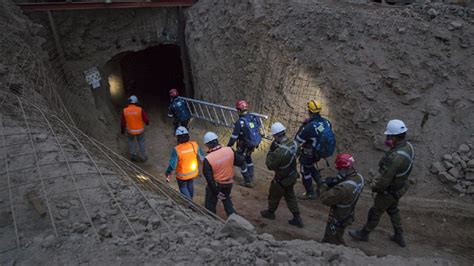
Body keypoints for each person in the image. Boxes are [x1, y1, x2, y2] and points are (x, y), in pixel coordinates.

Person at [349, 119, 414, 248]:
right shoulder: (408, 147)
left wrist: (376, 188)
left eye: (388, 136)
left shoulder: (396, 157)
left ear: (394, 137)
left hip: (389, 191)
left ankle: (364, 233)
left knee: (375, 212)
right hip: (400, 187)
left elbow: (385, 179)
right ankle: (399, 235)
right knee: (393, 209)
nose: (387, 138)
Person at [260, 122, 304, 228]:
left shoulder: (280, 152)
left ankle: (270, 213)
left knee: (273, 195)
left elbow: (270, 165)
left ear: (275, 136)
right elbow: (298, 154)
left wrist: (271, 152)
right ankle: (297, 217)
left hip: (281, 179)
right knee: (290, 195)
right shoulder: (295, 144)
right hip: (292, 175)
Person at [320, 153, 365, 245]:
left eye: (339, 169)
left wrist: (324, 184)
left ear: (343, 168)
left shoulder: (343, 188)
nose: (338, 171)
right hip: (348, 211)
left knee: (332, 238)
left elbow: (324, 199)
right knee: (339, 232)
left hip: (338, 215)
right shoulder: (359, 178)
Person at [295, 100, 336, 199]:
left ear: (309, 111)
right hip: (320, 152)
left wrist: (303, 126)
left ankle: (310, 193)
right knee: (311, 166)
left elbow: (298, 140)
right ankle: (321, 183)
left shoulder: (310, 127)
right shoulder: (327, 122)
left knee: (304, 169)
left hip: (310, 153)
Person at [203, 132, 245, 217]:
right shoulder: (229, 150)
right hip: (229, 183)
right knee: (226, 199)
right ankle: (233, 217)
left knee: (210, 203)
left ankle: (211, 218)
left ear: (208, 144)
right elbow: (240, 161)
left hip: (217, 184)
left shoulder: (208, 159)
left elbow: (209, 179)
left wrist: (216, 192)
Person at [227, 100, 263, 188]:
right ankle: (251, 176)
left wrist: (229, 145)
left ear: (239, 110)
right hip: (253, 144)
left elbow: (234, 137)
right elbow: (259, 130)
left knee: (240, 161)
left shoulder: (240, 122)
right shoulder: (254, 117)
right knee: (248, 157)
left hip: (244, 145)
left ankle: (247, 181)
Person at [165, 126, 205, 200]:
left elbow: (172, 165)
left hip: (182, 175)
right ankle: (191, 200)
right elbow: (203, 157)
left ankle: (190, 203)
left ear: (177, 137)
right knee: (190, 185)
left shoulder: (177, 150)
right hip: (193, 173)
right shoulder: (194, 145)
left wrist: (168, 172)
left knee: (183, 187)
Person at [121, 95, 149, 162]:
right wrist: (147, 123)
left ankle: (133, 155)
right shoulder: (140, 109)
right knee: (141, 143)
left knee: (131, 142)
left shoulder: (125, 110)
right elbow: (146, 119)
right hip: (140, 131)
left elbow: (123, 122)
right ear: (136, 102)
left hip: (130, 131)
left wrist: (122, 129)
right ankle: (143, 157)